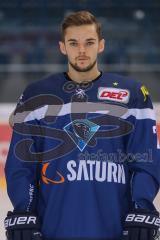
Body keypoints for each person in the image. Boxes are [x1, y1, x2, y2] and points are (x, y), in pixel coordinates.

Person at [4, 10, 160, 240]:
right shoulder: (36, 95)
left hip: (115, 229)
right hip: (53, 229)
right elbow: (21, 165)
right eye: (73, 43)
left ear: (101, 45)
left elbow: (144, 159)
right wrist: (24, 210)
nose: (82, 50)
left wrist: (142, 207)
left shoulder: (133, 94)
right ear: (62, 47)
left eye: (89, 42)